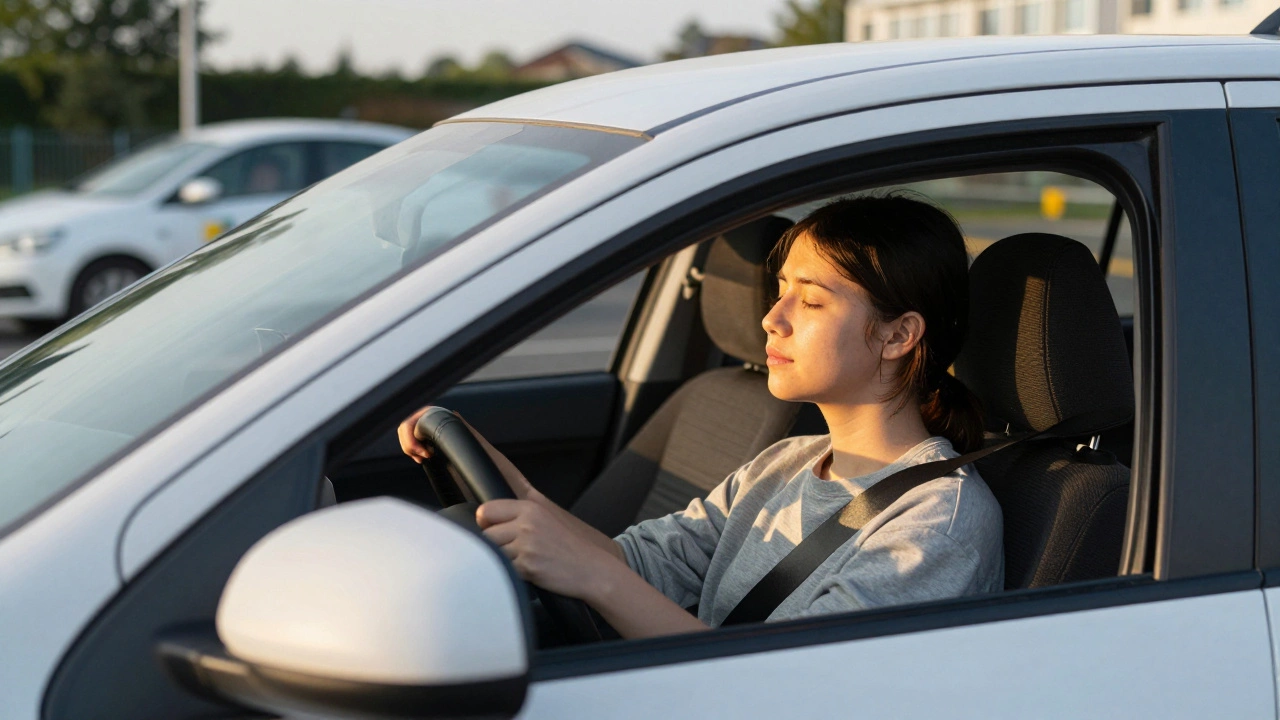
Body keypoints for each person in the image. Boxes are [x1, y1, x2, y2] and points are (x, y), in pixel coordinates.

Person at [399, 194, 1004, 639]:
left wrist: (596, 579)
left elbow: (788, 694)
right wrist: (509, 482)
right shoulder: (785, 463)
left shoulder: (936, 524)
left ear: (898, 334)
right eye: (782, 289)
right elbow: (643, 563)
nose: (774, 316)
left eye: (812, 300)